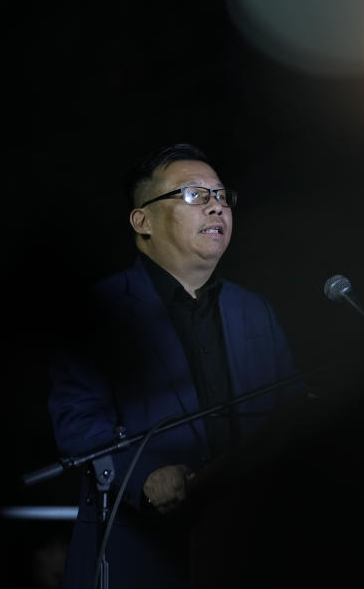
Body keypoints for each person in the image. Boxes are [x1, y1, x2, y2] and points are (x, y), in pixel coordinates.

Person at [47, 143, 301, 588]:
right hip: (137, 555)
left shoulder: (254, 311)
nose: (216, 207)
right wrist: (143, 477)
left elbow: (291, 412)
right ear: (142, 220)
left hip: (246, 553)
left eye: (221, 196)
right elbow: (78, 421)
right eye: (193, 195)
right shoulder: (101, 309)